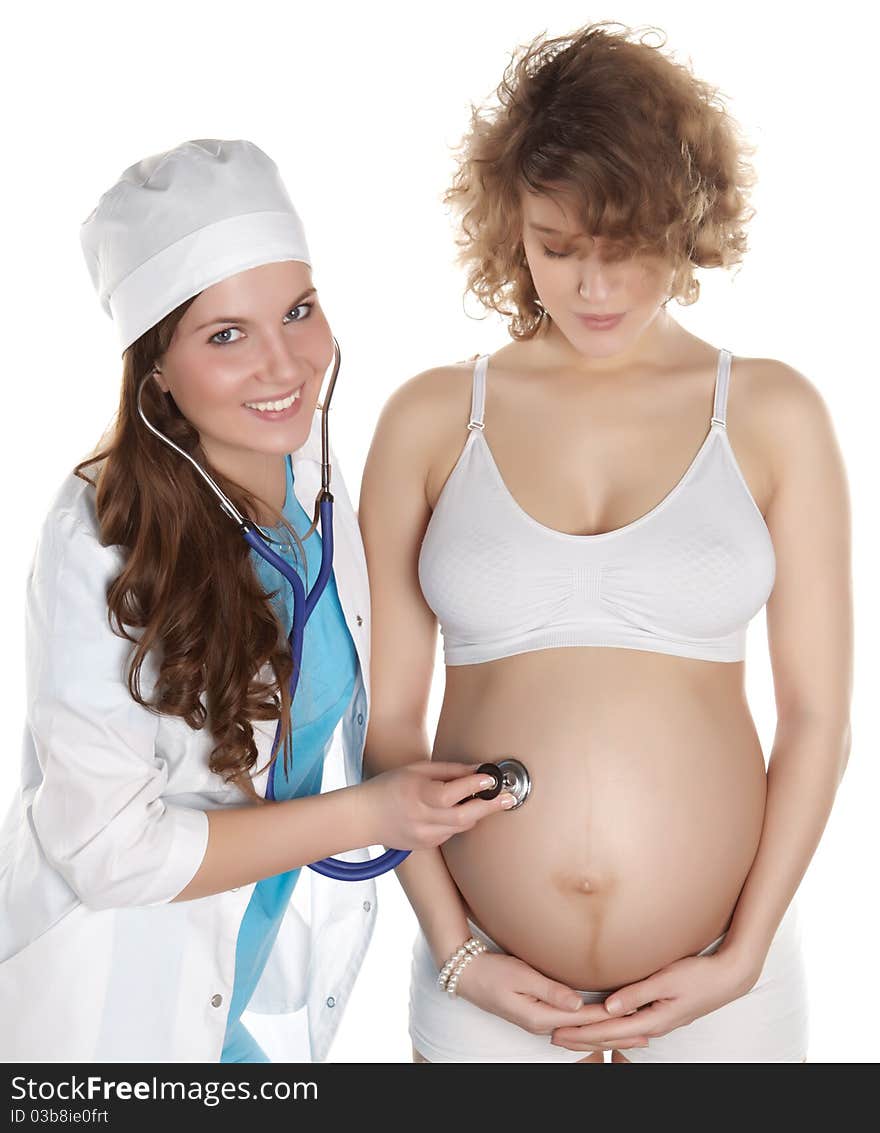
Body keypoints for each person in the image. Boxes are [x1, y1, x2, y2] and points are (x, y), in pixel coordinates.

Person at [358, 22, 853, 1063]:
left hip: (724, 980)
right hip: (484, 979)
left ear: (686, 217)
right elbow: (384, 718)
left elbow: (815, 715)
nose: (593, 289)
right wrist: (456, 951)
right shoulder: (432, 418)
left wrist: (743, 953)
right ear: (510, 223)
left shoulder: (770, 412)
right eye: (556, 246)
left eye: (624, 247)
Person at [0, 138, 512, 1063]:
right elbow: (106, 852)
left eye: (299, 311)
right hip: (117, 1018)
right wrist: (372, 816)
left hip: (243, 997)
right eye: (226, 334)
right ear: (156, 367)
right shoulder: (96, 531)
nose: (284, 366)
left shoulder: (313, 474)